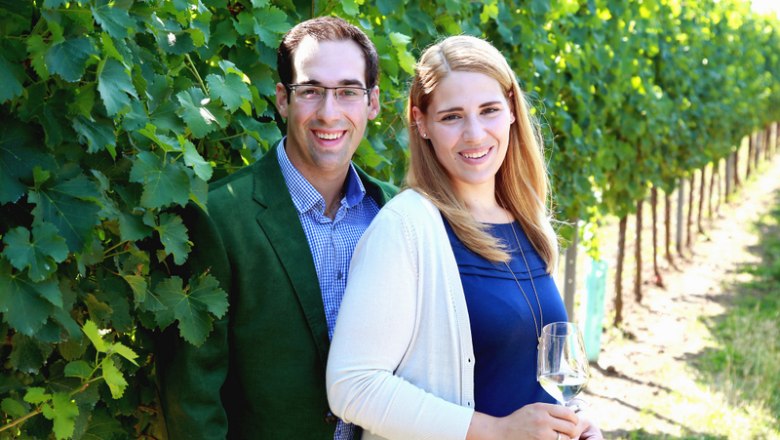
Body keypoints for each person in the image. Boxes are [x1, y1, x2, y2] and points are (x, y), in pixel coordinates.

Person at [326, 35, 603, 440]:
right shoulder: (406, 227)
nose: (475, 134)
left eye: (489, 110)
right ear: (421, 122)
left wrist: (574, 420)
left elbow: (524, 374)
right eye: (452, 117)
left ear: (511, 109)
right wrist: (496, 431)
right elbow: (352, 385)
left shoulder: (527, 222)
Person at [156, 16, 396, 439]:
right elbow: (192, 398)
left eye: (347, 92)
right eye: (311, 91)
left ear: (372, 102)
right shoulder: (219, 217)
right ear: (283, 99)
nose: (329, 112)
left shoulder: (397, 214)